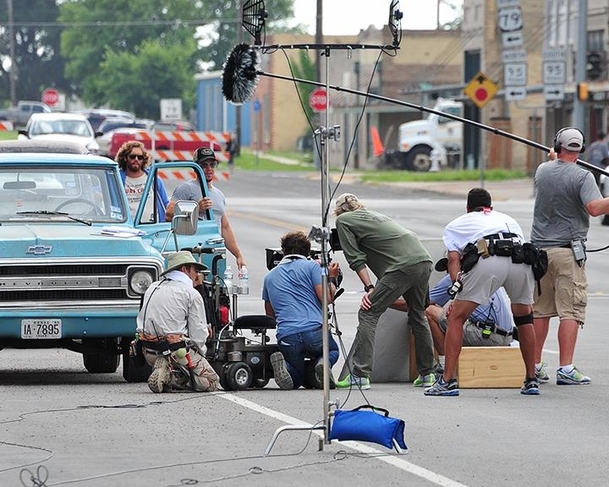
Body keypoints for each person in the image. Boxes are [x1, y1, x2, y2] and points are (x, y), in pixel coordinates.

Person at [424, 188, 538, 396]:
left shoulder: (458, 224)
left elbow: (453, 259)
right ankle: (531, 379)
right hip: (522, 260)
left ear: (467, 208)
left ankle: (447, 380)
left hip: (490, 258)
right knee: (525, 318)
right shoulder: (507, 219)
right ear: (491, 207)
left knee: (456, 318)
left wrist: (457, 288)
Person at [333, 193, 435, 390]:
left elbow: (355, 258)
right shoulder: (375, 216)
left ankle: (360, 375)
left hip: (401, 267)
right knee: (418, 314)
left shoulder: (344, 221)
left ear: (339, 212)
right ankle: (427, 374)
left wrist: (369, 288)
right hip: (424, 260)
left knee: (368, 312)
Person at [531, 127, 609, 385]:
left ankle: (535, 364)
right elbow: (595, 209)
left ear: (557, 145)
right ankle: (565, 368)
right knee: (571, 312)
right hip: (567, 253)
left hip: (540, 253)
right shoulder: (583, 177)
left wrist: (555, 158)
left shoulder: (543, 170)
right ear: (581, 149)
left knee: (540, 312)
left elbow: (557, 167)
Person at [262, 231, 341, 390]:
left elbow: (270, 316)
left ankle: (286, 367)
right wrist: (331, 278)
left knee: (296, 377)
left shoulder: (269, 277)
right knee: (332, 350)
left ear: (283, 251)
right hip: (314, 331)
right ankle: (323, 362)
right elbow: (327, 298)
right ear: (307, 251)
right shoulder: (312, 266)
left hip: (287, 335)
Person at [136, 251, 219, 393]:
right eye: (195, 271)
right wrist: (202, 354)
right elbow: (198, 335)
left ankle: (165, 369)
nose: (197, 275)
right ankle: (170, 376)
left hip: (148, 350)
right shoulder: (190, 293)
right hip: (176, 352)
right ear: (184, 269)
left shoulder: (152, 287)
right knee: (211, 382)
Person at [165, 147, 247, 270]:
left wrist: (238, 255)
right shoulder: (186, 188)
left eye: (212, 165)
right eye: (204, 165)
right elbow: (169, 214)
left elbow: (225, 228)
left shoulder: (219, 195)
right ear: (195, 167)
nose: (209, 169)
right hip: (192, 250)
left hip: (214, 251)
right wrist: (196, 208)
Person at [115, 140, 169, 222]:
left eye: (140, 157)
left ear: (144, 159)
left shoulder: (154, 180)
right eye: (132, 156)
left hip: (153, 229)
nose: (136, 159)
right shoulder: (117, 179)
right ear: (125, 158)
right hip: (127, 229)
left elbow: (165, 204)